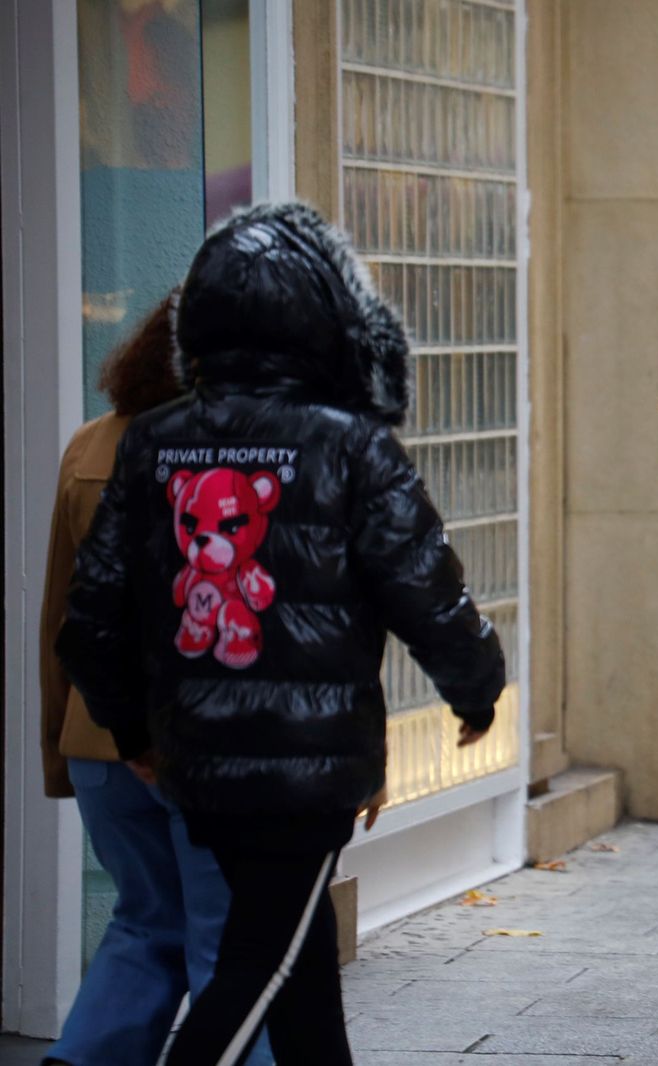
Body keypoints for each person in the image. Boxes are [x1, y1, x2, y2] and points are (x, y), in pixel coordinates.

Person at [56, 202, 507, 1063]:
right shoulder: (351, 446)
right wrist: (478, 689)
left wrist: (134, 732)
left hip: (199, 762)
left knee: (299, 968)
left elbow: (93, 618)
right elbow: (426, 588)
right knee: (257, 965)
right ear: (330, 318)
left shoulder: (152, 443)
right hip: (309, 768)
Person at [39, 296, 273, 1066]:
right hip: (211, 746)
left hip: (99, 741)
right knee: (232, 950)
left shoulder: (87, 447)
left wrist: (59, 748)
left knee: (145, 925)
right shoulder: (247, 462)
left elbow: (60, 620)